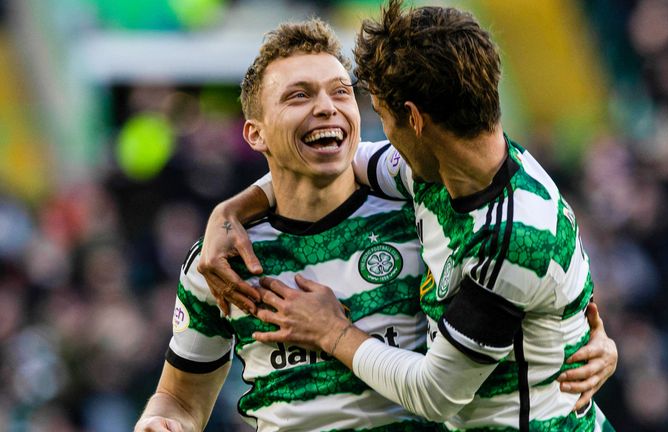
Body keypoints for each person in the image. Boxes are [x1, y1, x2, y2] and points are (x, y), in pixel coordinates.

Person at [198, 1, 618, 430]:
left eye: (382, 117)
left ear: (414, 118)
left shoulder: (511, 238)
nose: (385, 135)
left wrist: (332, 331)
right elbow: (328, 161)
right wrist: (231, 211)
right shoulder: (436, 169)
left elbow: (438, 396)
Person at [135, 19, 439, 431]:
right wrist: (160, 421)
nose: (327, 107)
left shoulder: (417, 212)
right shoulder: (221, 261)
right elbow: (179, 398)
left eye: (341, 92)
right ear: (255, 135)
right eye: (299, 95)